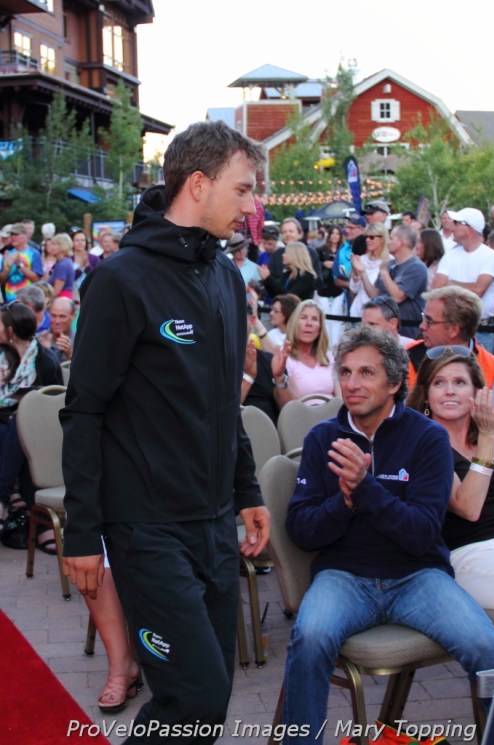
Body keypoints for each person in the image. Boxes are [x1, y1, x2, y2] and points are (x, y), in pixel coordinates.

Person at [60, 120, 270, 745]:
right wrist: (82, 532)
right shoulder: (120, 279)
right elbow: (84, 412)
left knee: (211, 693)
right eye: (243, 189)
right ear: (198, 184)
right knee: (193, 695)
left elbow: (224, 403)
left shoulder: (226, 277)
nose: (251, 206)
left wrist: (248, 490)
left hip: (215, 522)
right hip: (146, 530)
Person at [281, 326, 494, 744]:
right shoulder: (322, 438)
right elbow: (301, 531)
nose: (352, 383)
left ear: (395, 383)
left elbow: (421, 534)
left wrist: (366, 490)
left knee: (488, 650)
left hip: (418, 576)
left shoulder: (427, 437)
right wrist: (343, 502)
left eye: (367, 373)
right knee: (309, 638)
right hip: (344, 576)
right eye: (346, 372)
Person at [407, 347, 494, 610]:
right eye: (439, 383)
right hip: (468, 556)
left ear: (477, 392)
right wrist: (488, 439)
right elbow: (468, 508)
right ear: (426, 395)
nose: (449, 391)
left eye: (459, 382)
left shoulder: (488, 435)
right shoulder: (420, 442)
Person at [0, 301, 62, 550]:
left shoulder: (45, 361)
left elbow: (56, 404)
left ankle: (6, 499)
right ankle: (40, 521)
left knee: (21, 423)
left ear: (10, 330)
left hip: (37, 431)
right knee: (12, 428)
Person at [406, 286, 494, 390]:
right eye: (423, 318)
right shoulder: (406, 356)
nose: (422, 326)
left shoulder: (493, 369)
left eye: (429, 321)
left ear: (454, 330)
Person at [432, 207, 494, 353]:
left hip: (481, 330)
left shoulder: (491, 256)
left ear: (468, 228)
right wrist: (464, 286)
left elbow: (478, 290)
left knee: (483, 367)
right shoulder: (450, 255)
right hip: (450, 329)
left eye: (456, 222)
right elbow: (436, 288)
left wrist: (450, 283)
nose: (451, 226)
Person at [271, 299, 336, 404]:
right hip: (302, 413)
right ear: (294, 324)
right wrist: (279, 377)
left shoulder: (329, 357)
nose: (309, 323)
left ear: (320, 328)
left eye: (314, 319)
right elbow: (287, 407)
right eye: (303, 318)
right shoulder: (285, 359)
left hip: (332, 412)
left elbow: (340, 399)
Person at [374, 224, 428, 339]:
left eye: (391, 238)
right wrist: (361, 273)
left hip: (408, 333)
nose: (388, 242)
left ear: (402, 242)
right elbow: (375, 295)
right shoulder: (389, 264)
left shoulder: (417, 267)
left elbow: (398, 297)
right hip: (386, 332)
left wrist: (384, 271)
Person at [242, 305, 293, 425]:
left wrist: (279, 377)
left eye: (239, 317)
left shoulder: (269, 360)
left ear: (252, 321)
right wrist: (249, 377)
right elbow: (223, 412)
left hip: (269, 432)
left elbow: (288, 413)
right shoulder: (216, 362)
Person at [349, 223, 390, 319]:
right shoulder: (362, 259)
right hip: (357, 312)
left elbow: (379, 295)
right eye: (366, 237)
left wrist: (362, 273)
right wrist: (355, 272)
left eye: (371, 237)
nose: (367, 240)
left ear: (382, 239)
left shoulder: (389, 262)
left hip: (377, 316)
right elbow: (354, 289)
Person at [0, 222, 43, 301]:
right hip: (9, 300)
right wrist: (8, 267)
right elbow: (1, 281)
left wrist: (19, 265)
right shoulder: (7, 253)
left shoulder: (34, 253)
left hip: (27, 300)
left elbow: (36, 279)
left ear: (25, 235)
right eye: (11, 234)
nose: (13, 237)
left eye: (16, 234)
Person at [38, 296, 76, 363]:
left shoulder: (80, 341)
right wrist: (43, 352)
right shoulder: (40, 339)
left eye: (62, 317)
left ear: (73, 316)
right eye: (53, 316)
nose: (57, 321)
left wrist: (71, 354)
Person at [71, 228, 100, 292]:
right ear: (72, 242)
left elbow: (97, 278)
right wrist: (80, 268)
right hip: (73, 292)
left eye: (82, 240)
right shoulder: (68, 259)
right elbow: (69, 279)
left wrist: (87, 267)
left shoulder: (94, 258)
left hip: (90, 291)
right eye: (77, 240)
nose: (80, 243)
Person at [48, 232, 75, 299]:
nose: (51, 247)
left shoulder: (63, 265)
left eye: (54, 244)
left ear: (63, 246)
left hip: (61, 300)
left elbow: (56, 291)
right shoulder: (63, 262)